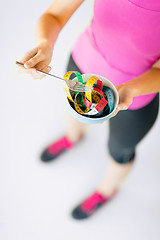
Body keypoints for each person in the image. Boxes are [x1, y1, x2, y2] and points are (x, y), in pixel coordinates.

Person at [17, 0, 160, 220]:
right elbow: (56, 14)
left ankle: (106, 191)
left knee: (120, 150)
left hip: (137, 95)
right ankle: (72, 137)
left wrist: (130, 88)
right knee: (74, 112)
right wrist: (44, 43)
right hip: (83, 63)